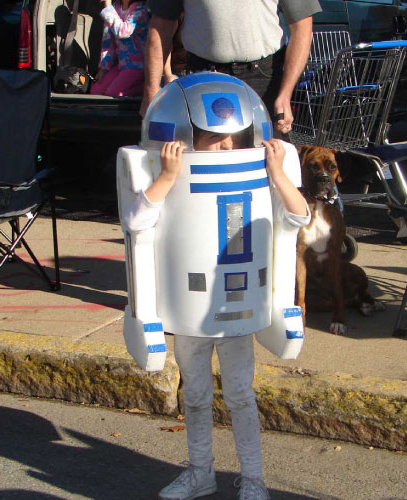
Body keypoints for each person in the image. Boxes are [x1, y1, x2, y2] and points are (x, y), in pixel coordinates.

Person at [123, 125, 310, 500]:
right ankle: (200, 472)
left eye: (233, 137)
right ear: (190, 138)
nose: (225, 144)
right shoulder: (171, 173)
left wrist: (277, 174)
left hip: (237, 312)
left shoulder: (259, 181)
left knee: (240, 395)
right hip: (190, 312)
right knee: (194, 394)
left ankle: (255, 480)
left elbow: (299, 216)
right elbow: (136, 221)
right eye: (212, 136)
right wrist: (167, 176)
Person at [139, 0, 321, 136]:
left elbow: (302, 27)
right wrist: (151, 91)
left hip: (263, 77)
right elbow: (160, 27)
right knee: (203, 163)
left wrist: (285, 94)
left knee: (268, 163)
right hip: (203, 76)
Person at [90, 0, 148, 97]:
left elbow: (123, 31)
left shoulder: (141, 10)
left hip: (137, 66)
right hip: (121, 66)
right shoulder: (115, 8)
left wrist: (108, 7)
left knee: (113, 94)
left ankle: (145, 87)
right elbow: (108, 41)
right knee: (96, 91)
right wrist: (104, 68)